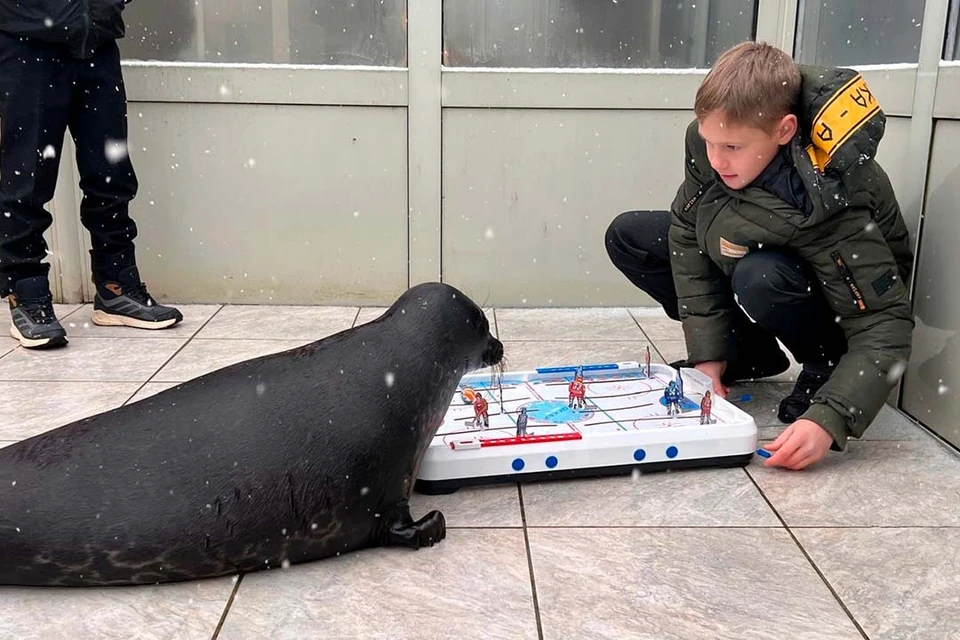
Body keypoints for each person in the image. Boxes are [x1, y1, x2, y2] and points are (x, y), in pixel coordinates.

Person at [605, 41, 914, 470]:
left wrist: (831, 417)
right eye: (708, 140)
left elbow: (885, 322)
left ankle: (823, 362)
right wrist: (709, 356)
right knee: (631, 236)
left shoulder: (834, 194)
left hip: (836, 292)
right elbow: (688, 233)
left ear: (784, 130)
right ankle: (745, 352)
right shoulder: (713, 144)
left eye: (731, 147)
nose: (714, 160)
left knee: (761, 276)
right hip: (757, 238)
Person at [0, 0, 182, 349]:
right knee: (27, 179)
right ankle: (27, 294)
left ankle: (116, 286)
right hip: (27, 41)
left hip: (97, 42)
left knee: (111, 173)